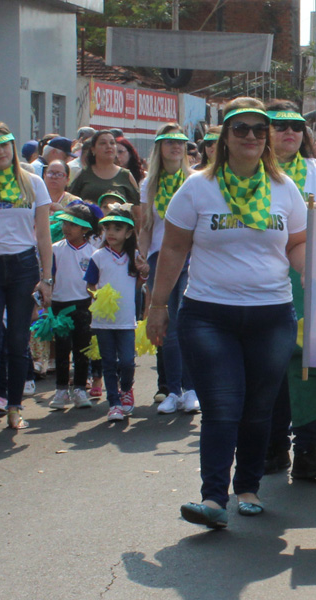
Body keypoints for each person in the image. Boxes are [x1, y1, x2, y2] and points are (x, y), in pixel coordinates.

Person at [147, 97, 309, 529]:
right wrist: (158, 305)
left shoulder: (284, 188)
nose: (252, 137)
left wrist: (314, 271)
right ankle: (214, 498)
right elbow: (175, 248)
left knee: (259, 409)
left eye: (261, 129)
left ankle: (249, 487)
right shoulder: (198, 187)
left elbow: (296, 244)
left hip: (271, 316)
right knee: (223, 407)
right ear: (224, 136)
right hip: (208, 316)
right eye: (242, 129)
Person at [262, 99, 316, 480]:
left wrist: (299, 206)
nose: (290, 133)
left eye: (297, 126)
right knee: (274, 369)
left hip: (311, 279)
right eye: (280, 127)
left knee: (312, 368)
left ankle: (308, 450)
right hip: (263, 282)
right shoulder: (254, 173)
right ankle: (274, 446)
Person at [0, 123, 54, 434]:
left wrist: (47, 279)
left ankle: (14, 407)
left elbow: (44, 236)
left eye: (5, 144)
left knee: (18, 341)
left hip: (23, 267)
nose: (1, 151)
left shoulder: (34, 184)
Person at [139, 123, 199, 416]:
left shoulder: (195, 180)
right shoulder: (147, 184)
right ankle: (173, 390)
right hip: (158, 258)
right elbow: (146, 228)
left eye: (181, 143)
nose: (176, 147)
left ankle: (192, 389)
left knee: (186, 324)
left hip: (190, 258)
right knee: (168, 327)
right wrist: (140, 259)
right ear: (159, 148)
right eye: (169, 142)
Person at [85, 205, 146, 421]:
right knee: (109, 362)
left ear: (129, 233)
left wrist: (144, 273)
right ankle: (114, 403)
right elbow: (90, 286)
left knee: (127, 361)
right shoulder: (98, 256)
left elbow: (137, 286)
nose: (111, 233)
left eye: (118, 228)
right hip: (103, 321)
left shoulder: (134, 256)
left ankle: (126, 388)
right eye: (108, 228)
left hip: (126, 320)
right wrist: (99, 296)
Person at [47, 203, 100, 410]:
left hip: (84, 305)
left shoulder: (94, 252)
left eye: (73, 224)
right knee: (62, 347)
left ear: (85, 229)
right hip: (60, 305)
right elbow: (50, 275)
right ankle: (61, 389)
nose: (67, 228)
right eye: (65, 223)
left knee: (82, 348)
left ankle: (79, 388)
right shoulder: (55, 249)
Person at [69, 130, 141, 225]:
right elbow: (71, 205)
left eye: (112, 143)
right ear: (93, 150)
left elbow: (137, 212)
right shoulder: (83, 174)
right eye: (103, 143)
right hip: (88, 231)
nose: (109, 146)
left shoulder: (126, 175)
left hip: (117, 233)